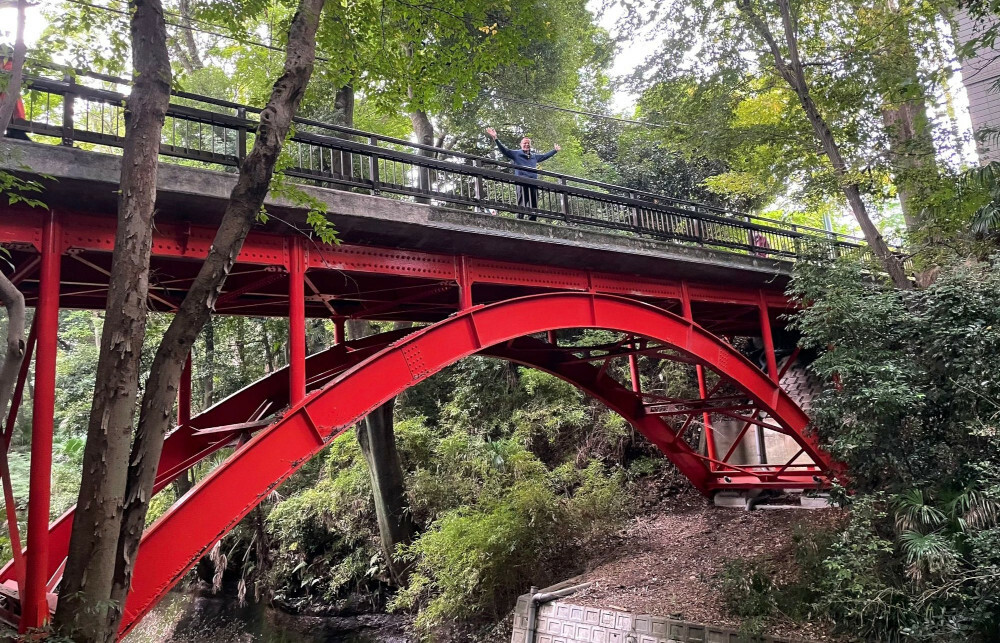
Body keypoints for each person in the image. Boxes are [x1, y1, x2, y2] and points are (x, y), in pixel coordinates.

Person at [486, 127, 560, 220]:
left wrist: (555, 151)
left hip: (533, 182)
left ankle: (532, 220)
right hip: (521, 181)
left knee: (534, 203)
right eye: (525, 143)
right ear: (521, 144)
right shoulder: (516, 154)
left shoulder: (534, 156)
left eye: (528, 143)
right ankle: (520, 219)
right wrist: (495, 138)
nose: (526, 145)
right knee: (522, 202)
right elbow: (504, 150)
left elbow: (544, 156)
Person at [1, 49, 30, 141]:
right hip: (10, 104)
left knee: (15, 130)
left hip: (8, 102)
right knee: (15, 130)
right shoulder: (10, 65)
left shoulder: (9, 65)